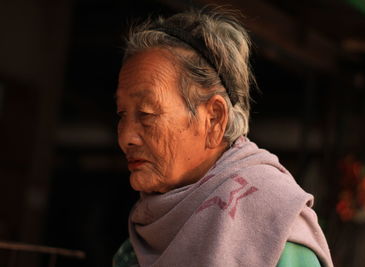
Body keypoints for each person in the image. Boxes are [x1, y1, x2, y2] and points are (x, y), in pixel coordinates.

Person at [113, 7, 333, 267]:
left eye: (147, 113)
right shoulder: (136, 247)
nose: (126, 137)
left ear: (214, 119)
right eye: (121, 114)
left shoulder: (275, 228)